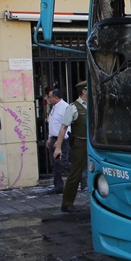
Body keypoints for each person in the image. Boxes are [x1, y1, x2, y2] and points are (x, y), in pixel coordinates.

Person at [54, 80, 87, 213]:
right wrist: (58, 146)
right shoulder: (73, 107)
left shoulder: (92, 105)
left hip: (93, 144)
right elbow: (63, 128)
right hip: (80, 143)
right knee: (75, 174)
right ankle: (67, 203)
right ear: (84, 91)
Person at [45, 88, 69, 193]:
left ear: (56, 97)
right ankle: (58, 186)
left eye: (50, 97)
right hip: (53, 137)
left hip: (62, 138)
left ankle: (81, 175)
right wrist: (49, 137)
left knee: (63, 162)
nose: (48, 99)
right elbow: (52, 123)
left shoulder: (65, 107)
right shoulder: (54, 108)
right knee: (54, 164)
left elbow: (67, 126)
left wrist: (59, 140)